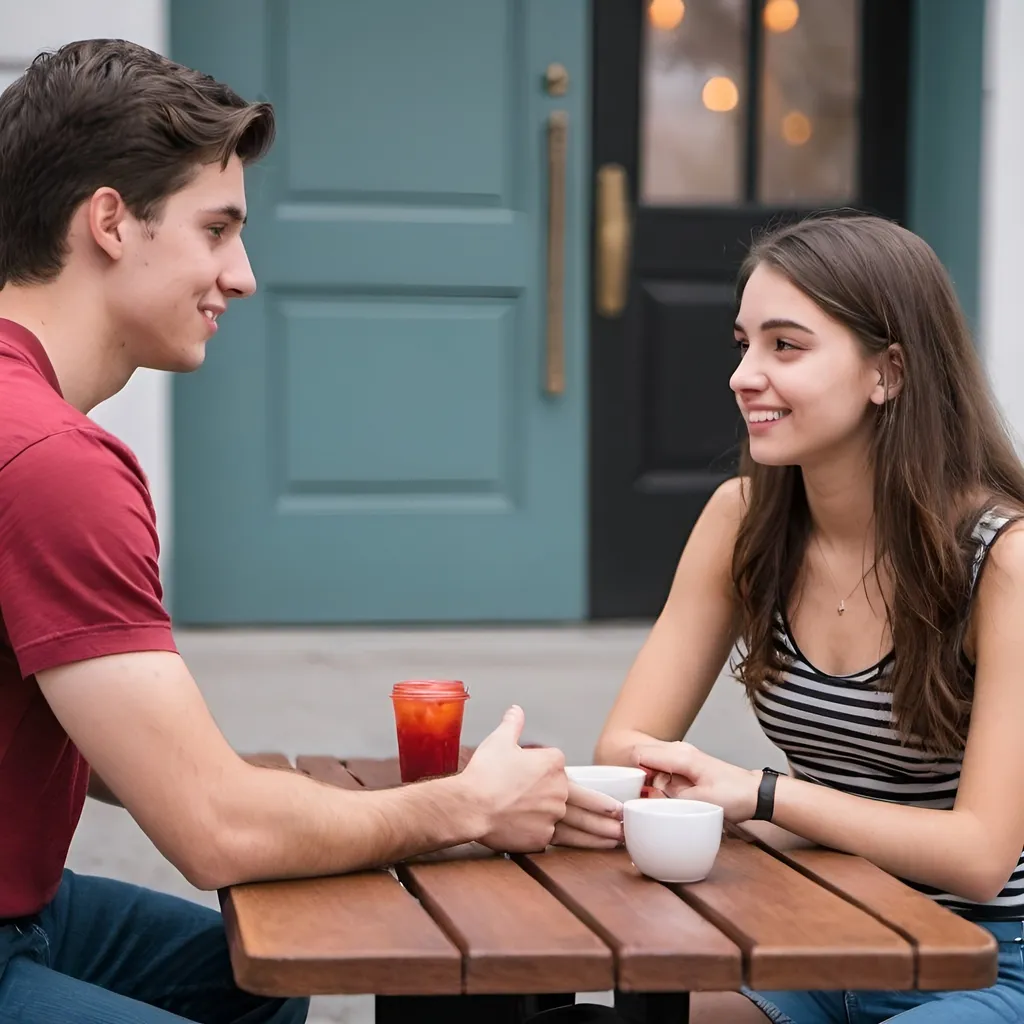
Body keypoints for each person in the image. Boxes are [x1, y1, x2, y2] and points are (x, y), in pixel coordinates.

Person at [0, 39, 571, 1024]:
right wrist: (464, 806)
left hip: (28, 902)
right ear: (108, 223)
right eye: (217, 229)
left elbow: (119, 756)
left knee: (263, 978)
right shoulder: (53, 462)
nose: (245, 275)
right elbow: (216, 833)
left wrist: (251, 786)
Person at [582, 214, 1024, 1022]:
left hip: (993, 958)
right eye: (743, 343)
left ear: (887, 372)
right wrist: (729, 798)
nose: (745, 375)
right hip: (825, 932)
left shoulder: (1003, 561)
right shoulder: (742, 520)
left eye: (786, 346)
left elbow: (981, 856)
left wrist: (761, 796)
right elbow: (625, 750)